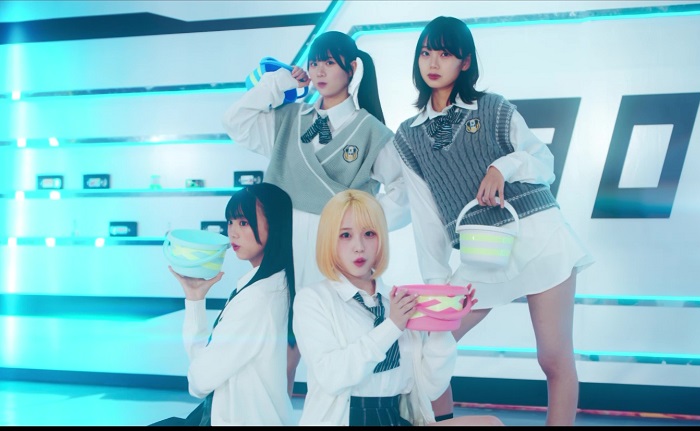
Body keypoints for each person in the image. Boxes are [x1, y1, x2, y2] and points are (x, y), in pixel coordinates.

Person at [391, 16, 595, 426]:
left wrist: (502, 167)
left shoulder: (494, 108)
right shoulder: (408, 135)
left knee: (554, 358)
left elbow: (543, 160)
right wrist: (437, 283)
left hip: (537, 236)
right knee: (431, 345)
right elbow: (427, 214)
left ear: (465, 62)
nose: (433, 62)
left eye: (445, 53)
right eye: (426, 53)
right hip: (481, 251)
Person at [222, 30, 409, 397]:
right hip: (283, 245)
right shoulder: (288, 118)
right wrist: (277, 83)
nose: (320, 71)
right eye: (314, 63)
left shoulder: (372, 131)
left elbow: (404, 192)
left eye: (329, 63)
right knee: (279, 346)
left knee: (336, 346)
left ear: (351, 68)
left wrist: (360, 227)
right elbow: (235, 121)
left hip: (334, 251)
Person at [292, 189, 503, 426]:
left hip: (394, 417)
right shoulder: (313, 299)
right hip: (347, 419)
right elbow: (332, 377)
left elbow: (431, 388)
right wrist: (392, 326)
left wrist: (444, 323)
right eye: (345, 235)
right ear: (328, 239)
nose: (359, 246)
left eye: (369, 234)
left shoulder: (399, 300)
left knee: (490, 423)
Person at [155, 183, 296, 426]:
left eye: (243, 222)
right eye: (230, 222)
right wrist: (195, 298)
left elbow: (200, 381)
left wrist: (201, 370)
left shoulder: (258, 298)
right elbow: (206, 366)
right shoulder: (273, 285)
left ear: (275, 225)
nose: (233, 232)